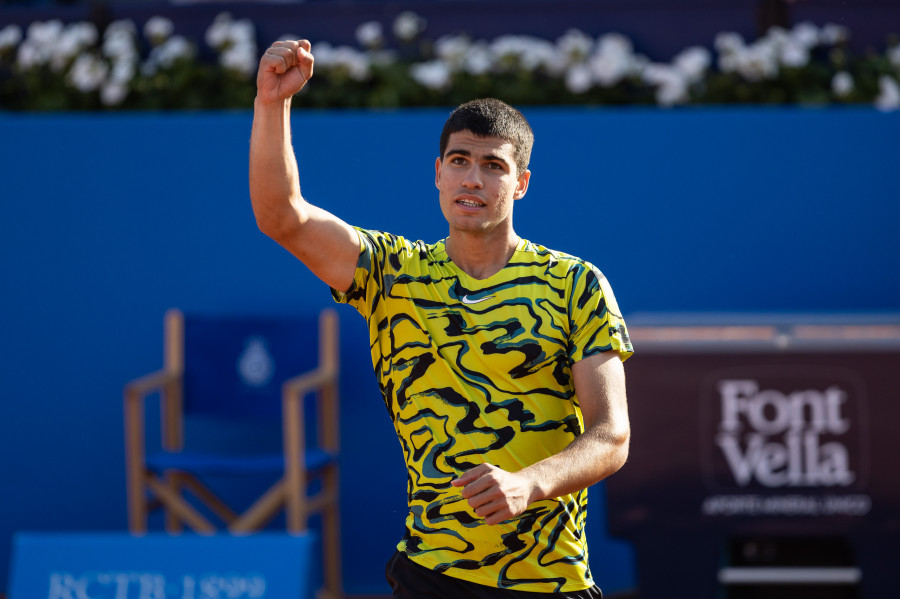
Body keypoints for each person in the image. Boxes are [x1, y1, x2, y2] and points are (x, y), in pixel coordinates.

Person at [250, 39, 634, 599]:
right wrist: (271, 103)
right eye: (459, 161)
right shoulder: (390, 274)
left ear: (520, 183)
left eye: (492, 166)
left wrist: (530, 483)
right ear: (438, 174)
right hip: (430, 575)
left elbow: (612, 435)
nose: (472, 179)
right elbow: (281, 215)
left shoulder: (577, 283)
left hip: (550, 582)